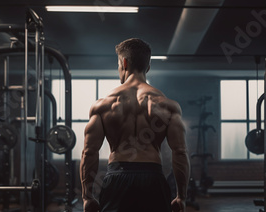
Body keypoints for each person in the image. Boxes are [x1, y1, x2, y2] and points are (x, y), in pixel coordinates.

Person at [80, 38, 190, 212]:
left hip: (117, 178)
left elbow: (89, 152)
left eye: (118, 64)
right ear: (148, 66)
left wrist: (87, 196)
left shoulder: (102, 106)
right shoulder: (168, 105)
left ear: (124, 63)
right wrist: (181, 196)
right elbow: (180, 152)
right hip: (153, 178)